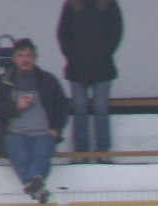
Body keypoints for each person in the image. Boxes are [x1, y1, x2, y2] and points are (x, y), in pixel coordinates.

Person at [0, 37, 69, 205]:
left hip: (43, 132)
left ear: (36, 58)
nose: (25, 59)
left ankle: (33, 183)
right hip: (15, 133)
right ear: (14, 58)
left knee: (42, 153)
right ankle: (37, 187)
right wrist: (15, 106)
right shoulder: (3, 81)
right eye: (21, 55)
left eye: (29, 55)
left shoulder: (48, 80)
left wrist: (57, 129)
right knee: (18, 155)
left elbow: (63, 106)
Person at [56, 0, 123, 164]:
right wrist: (72, 56)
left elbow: (116, 32)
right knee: (80, 109)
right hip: (77, 68)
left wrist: (104, 54)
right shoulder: (72, 4)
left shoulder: (109, 3)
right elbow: (62, 33)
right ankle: (81, 151)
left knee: (101, 109)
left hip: (103, 67)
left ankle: (103, 151)